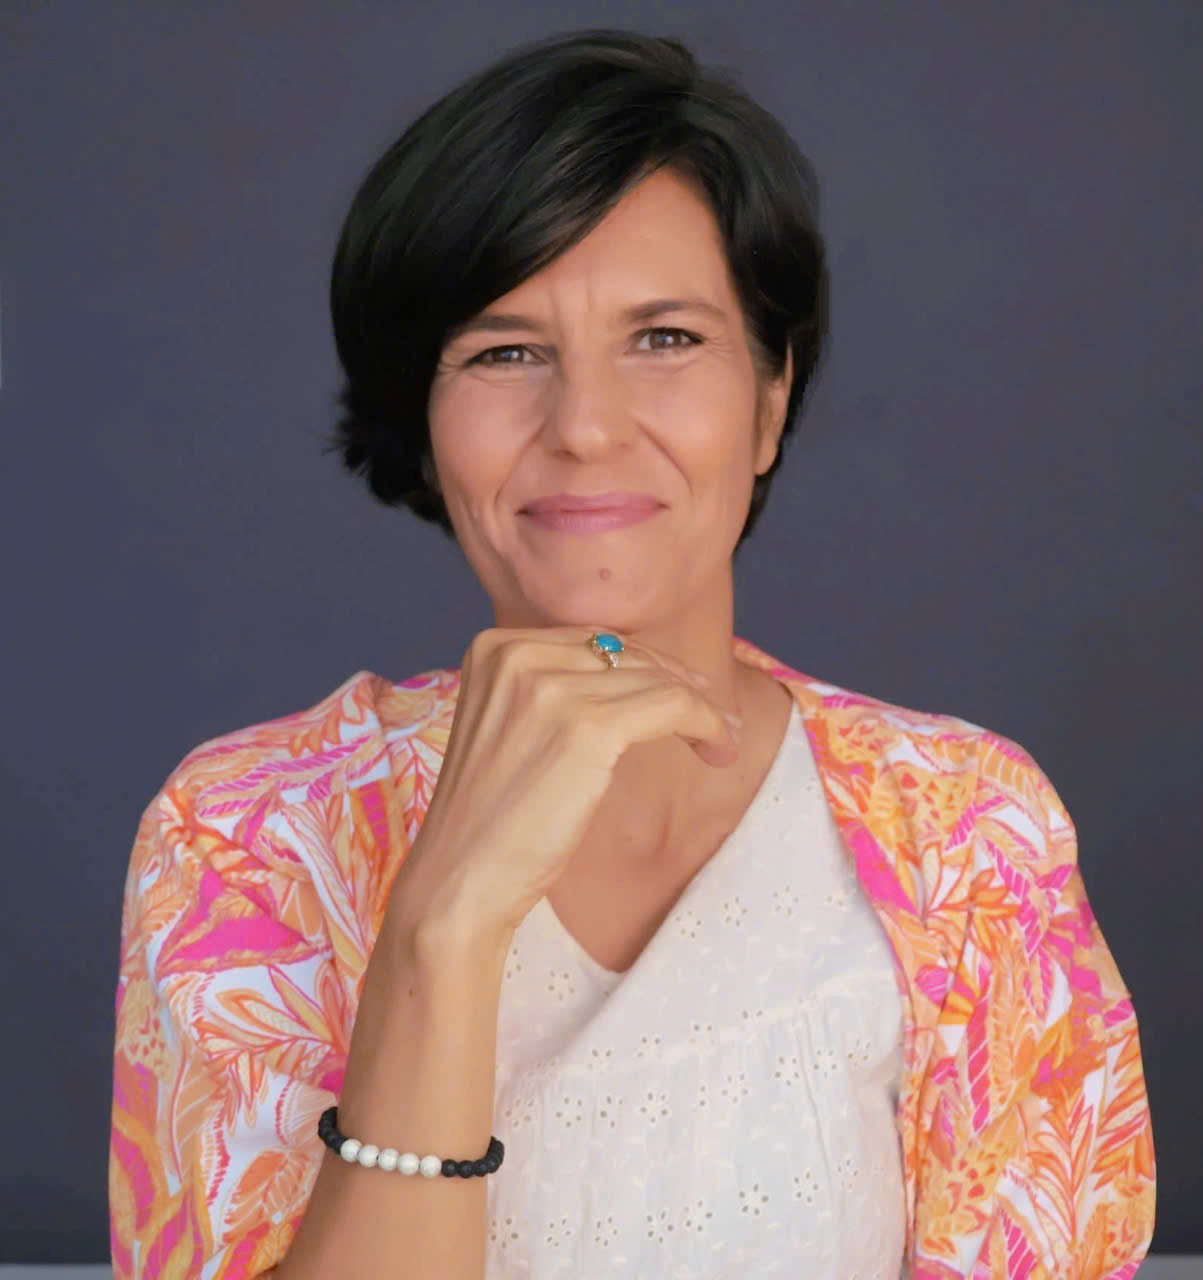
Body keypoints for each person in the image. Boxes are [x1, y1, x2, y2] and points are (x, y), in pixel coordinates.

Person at [108, 28, 1156, 1279]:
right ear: (424, 422)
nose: (587, 426)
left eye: (665, 338)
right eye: (504, 351)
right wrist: (442, 928)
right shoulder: (244, 842)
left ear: (769, 400)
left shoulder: (973, 831)